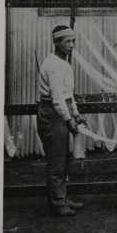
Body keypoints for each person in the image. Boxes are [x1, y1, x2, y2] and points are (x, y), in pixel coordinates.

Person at [36, 25, 86, 217]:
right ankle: (57, 204)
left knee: (63, 160)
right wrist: (68, 120)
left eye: (73, 41)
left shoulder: (64, 63)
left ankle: (61, 198)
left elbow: (67, 95)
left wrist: (76, 114)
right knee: (56, 161)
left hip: (60, 110)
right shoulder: (53, 64)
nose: (72, 45)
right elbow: (57, 97)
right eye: (67, 41)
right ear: (55, 42)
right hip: (51, 113)